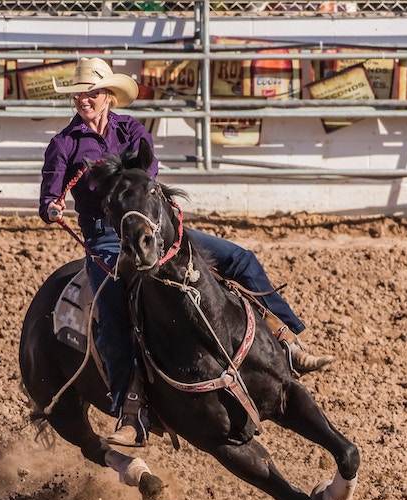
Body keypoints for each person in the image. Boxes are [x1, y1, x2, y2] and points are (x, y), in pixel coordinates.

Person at [38, 57, 333, 447]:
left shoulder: (131, 131)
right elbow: (49, 194)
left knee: (238, 259)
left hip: (151, 225)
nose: (83, 99)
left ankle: (288, 340)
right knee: (110, 304)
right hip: (107, 238)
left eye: (90, 92)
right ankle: (132, 408)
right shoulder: (65, 144)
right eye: (78, 94)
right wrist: (52, 207)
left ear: (108, 96)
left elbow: (149, 175)